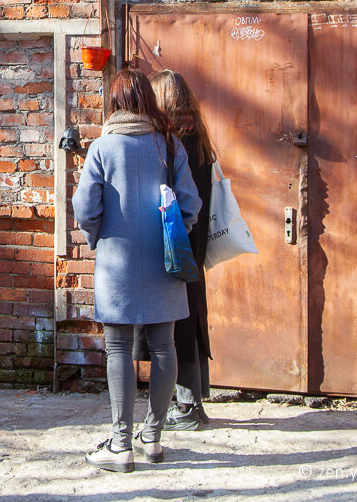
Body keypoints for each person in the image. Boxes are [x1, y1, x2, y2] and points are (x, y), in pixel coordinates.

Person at [72, 68, 202, 472]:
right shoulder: (169, 144)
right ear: (146, 99)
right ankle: (154, 438)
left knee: (117, 349)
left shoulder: (102, 148)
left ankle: (121, 444)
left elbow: (84, 209)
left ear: (114, 103)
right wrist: (174, 234)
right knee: (165, 347)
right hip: (165, 260)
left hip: (118, 263)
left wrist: (100, 236)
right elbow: (191, 204)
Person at [150, 69, 216, 431]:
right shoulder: (199, 138)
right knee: (191, 324)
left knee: (176, 327)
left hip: (178, 244)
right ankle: (195, 402)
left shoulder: (172, 144)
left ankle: (188, 406)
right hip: (197, 243)